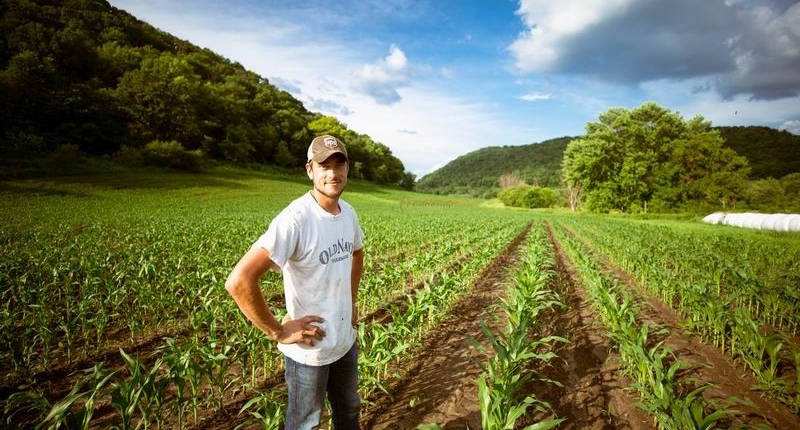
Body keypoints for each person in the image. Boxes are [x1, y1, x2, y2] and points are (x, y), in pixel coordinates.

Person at [225, 135, 364, 430]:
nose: (332, 172)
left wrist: (351, 302)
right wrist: (277, 330)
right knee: (306, 424)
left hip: (344, 341)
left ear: (348, 168)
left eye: (339, 164)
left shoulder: (349, 213)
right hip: (310, 350)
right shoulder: (295, 220)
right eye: (324, 165)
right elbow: (239, 281)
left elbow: (357, 252)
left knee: (349, 411)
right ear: (310, 170)